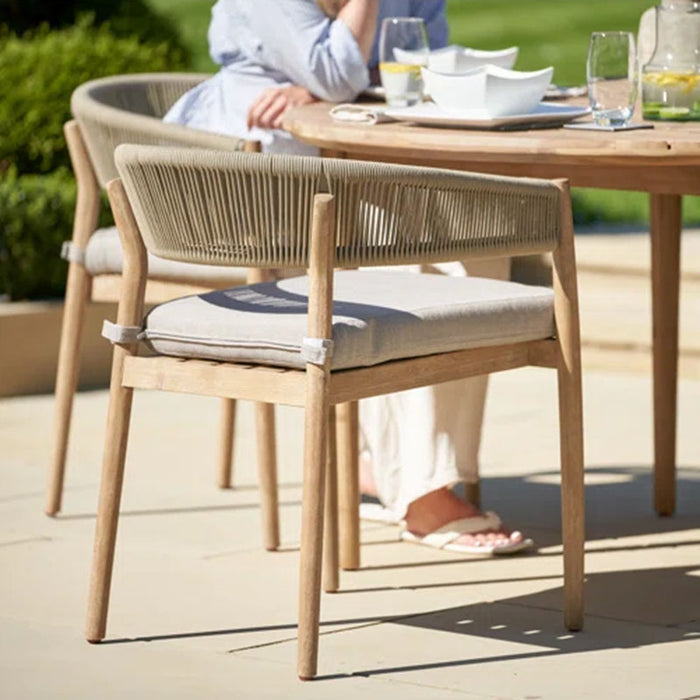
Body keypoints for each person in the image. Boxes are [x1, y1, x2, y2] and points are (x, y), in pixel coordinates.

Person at [165, 0, 531, 555]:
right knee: (403, 249)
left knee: (469, 244)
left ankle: (403, 471)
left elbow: (423, 71)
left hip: (342, 173)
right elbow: (340, 72)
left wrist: (321, 90)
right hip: (248, 188)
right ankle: (421, 492)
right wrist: (334, 83)